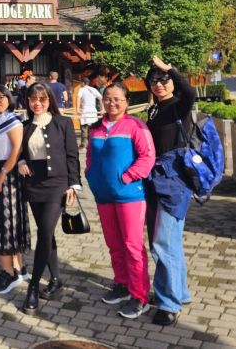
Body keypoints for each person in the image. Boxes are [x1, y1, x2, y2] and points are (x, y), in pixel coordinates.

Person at [85, 82, 155, 320]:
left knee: (132, 246)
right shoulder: (95, 127)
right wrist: (90, 175)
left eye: (117, 99)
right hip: (103, 196)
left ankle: (140, 296)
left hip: (129, 196)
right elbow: (89, 156)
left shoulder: (135, 125)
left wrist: (126, 177)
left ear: (126, 102)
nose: (111, 103)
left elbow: (147, 157)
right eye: (107, 98)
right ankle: (122, 285)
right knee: (114, 245)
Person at [17, 82, 81, 313]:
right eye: (33, 99)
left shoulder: (62, 123)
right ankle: (55, 280)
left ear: (50, 100)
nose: (37, 103)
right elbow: (19, 152)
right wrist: (21, 161)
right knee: (47, 233)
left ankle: (33, 287)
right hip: (34, 186)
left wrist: (74, 184)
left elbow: (72, 155)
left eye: (42, 99)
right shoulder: (23, 126)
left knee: (44, 232)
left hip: (57, 185)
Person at [144, 56, 197, 326]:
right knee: (169, 241)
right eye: (154, 80)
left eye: (163, 80)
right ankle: (179, 291)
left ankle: (168, 303)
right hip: (154, 179)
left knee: (163, 241)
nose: (159, 84)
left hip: (174, 179)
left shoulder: (180, 105)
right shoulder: (153, 111)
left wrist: (170, 69)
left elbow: (190, 91)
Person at [0, 85, 29, 295]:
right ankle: (18, 268)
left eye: (1, 97)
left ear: (9, 98)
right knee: (8, 221)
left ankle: (8, 272)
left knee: (3, 223)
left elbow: (17, 148)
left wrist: (2, 173)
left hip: (6, 175)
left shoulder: (12, 120)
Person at [75, 77, 103, 148]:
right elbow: (100, 98)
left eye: (81, 82)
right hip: (93, 110)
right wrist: (102, 108)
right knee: (92, 127)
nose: (80, 84)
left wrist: (78, 109)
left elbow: (78, 98)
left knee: (84, 128)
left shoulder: (82, 89)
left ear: (83, 83)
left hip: (85, 110)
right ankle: (92, 143)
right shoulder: (93, 89)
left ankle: (84, 144)